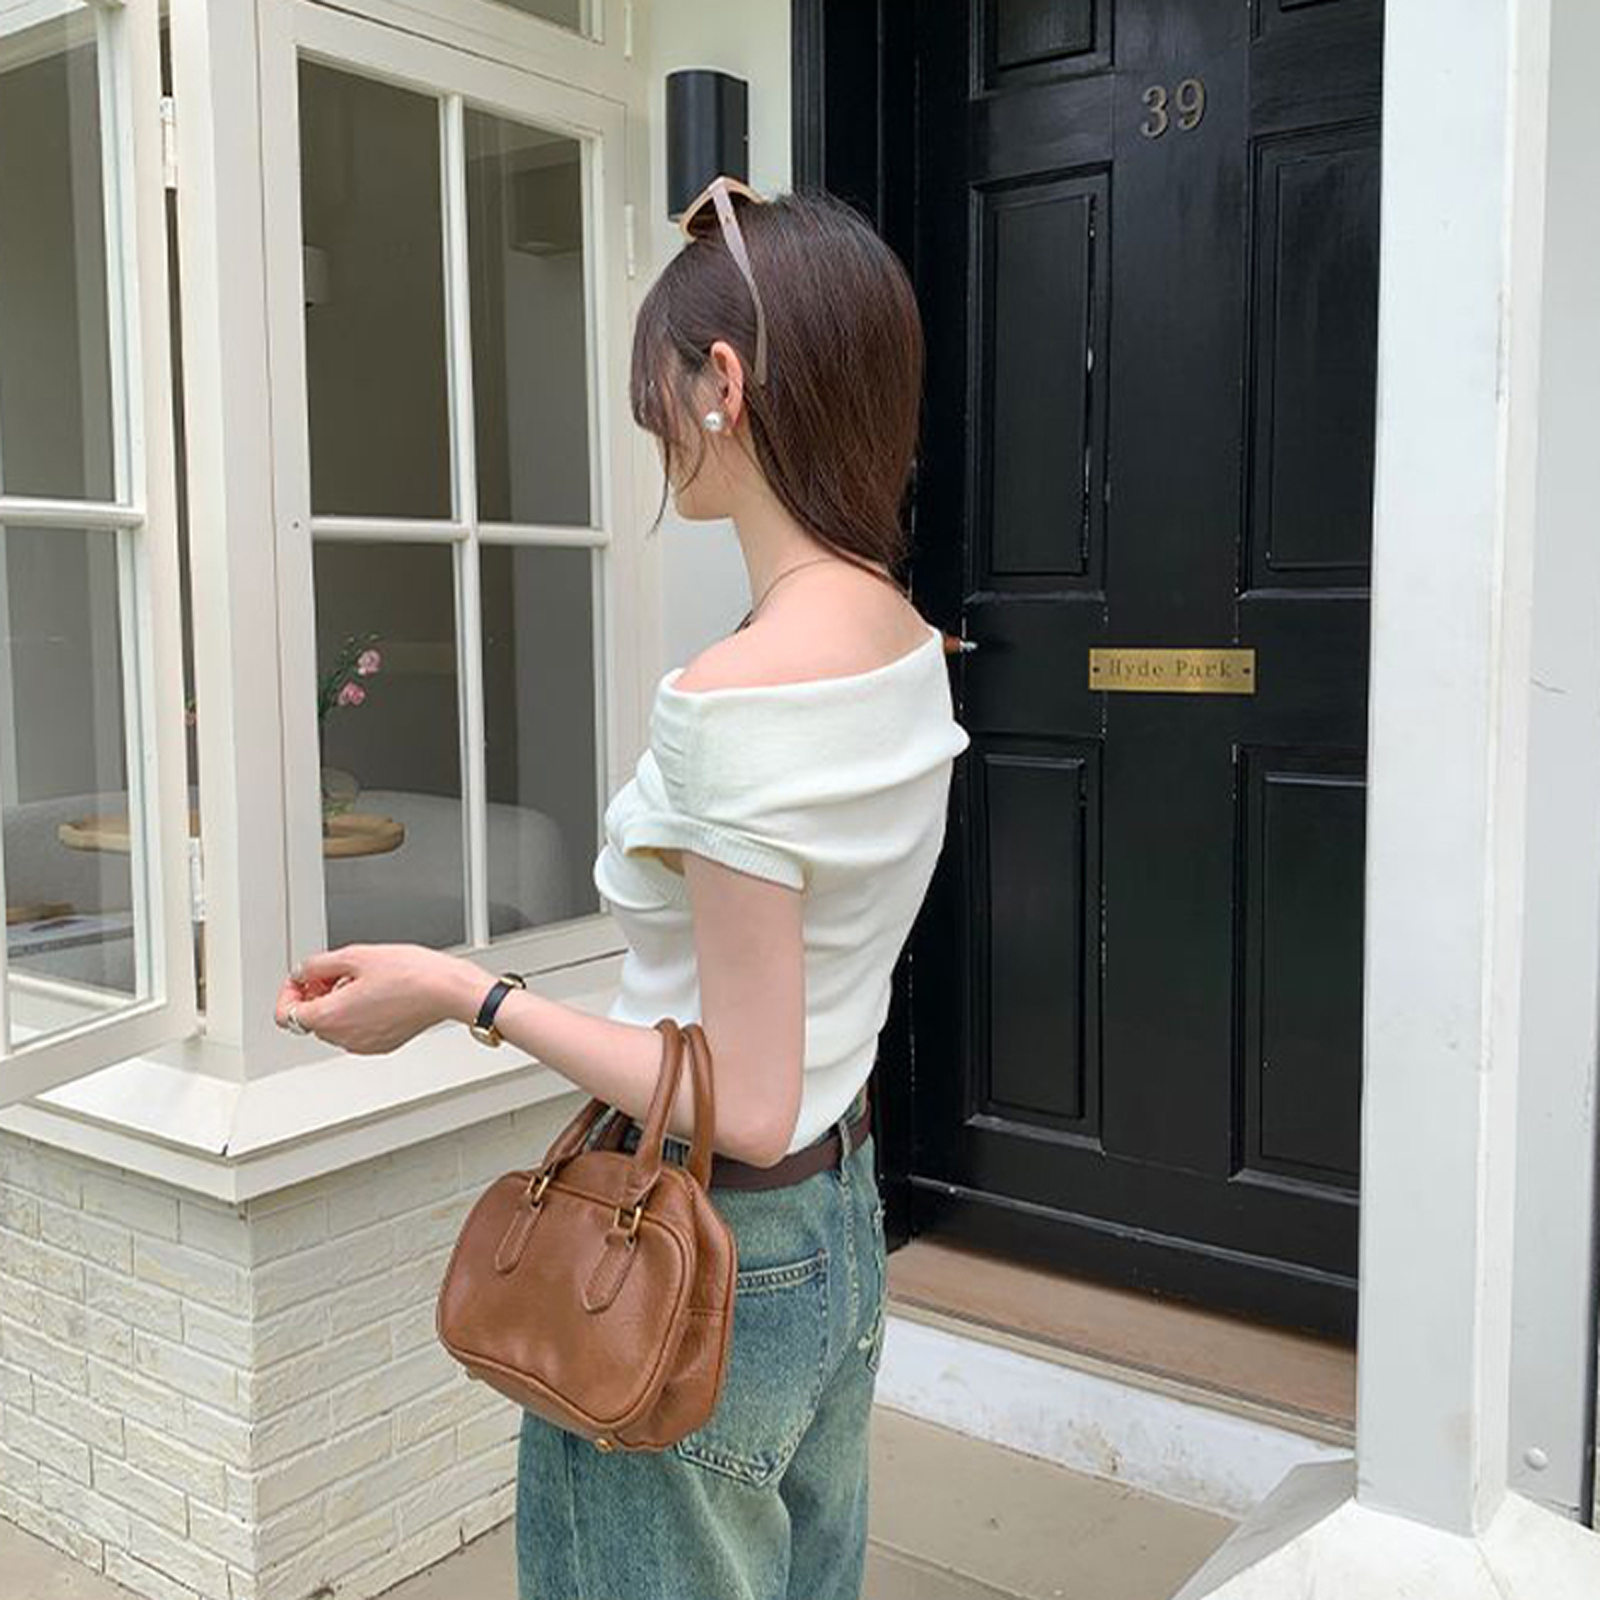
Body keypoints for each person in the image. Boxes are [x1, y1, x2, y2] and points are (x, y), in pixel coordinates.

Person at [273, 182, 970, 1600]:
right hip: (835, 1221)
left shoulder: (734, 697)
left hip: (704, 1251)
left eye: (658, 393)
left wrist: (463, 993)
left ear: (723, 382)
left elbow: (745, 1099)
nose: (651, 427)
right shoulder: (904, 638)